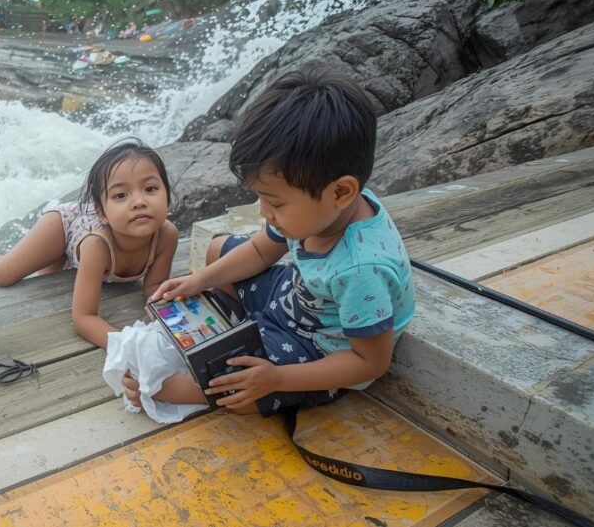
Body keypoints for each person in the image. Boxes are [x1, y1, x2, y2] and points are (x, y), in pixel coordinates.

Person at [123, 68, 415, 416]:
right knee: (217, 250)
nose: (264, 212)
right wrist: (201, 279)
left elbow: (369, 363)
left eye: (274, 202)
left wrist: (277, 378)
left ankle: (165, 387)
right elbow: (262, 250)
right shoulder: (325, 209)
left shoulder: (360, 270)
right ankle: (233, 330)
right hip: (297, 295)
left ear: (340, 191)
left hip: (316, 349)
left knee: (240, 389)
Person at [0, 138, 179, 348]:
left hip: (84, 241)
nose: (139, 201)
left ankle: (59, 257)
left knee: (47, 282)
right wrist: (128, 346)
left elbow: (154, 286)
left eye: (150, 189)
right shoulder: (97, 245)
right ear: (102, 213)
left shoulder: (166, 235)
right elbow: (83, 317)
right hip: (64, 226)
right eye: (120, 195)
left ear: (166, 194)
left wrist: (170, 319)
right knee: (4, 274)